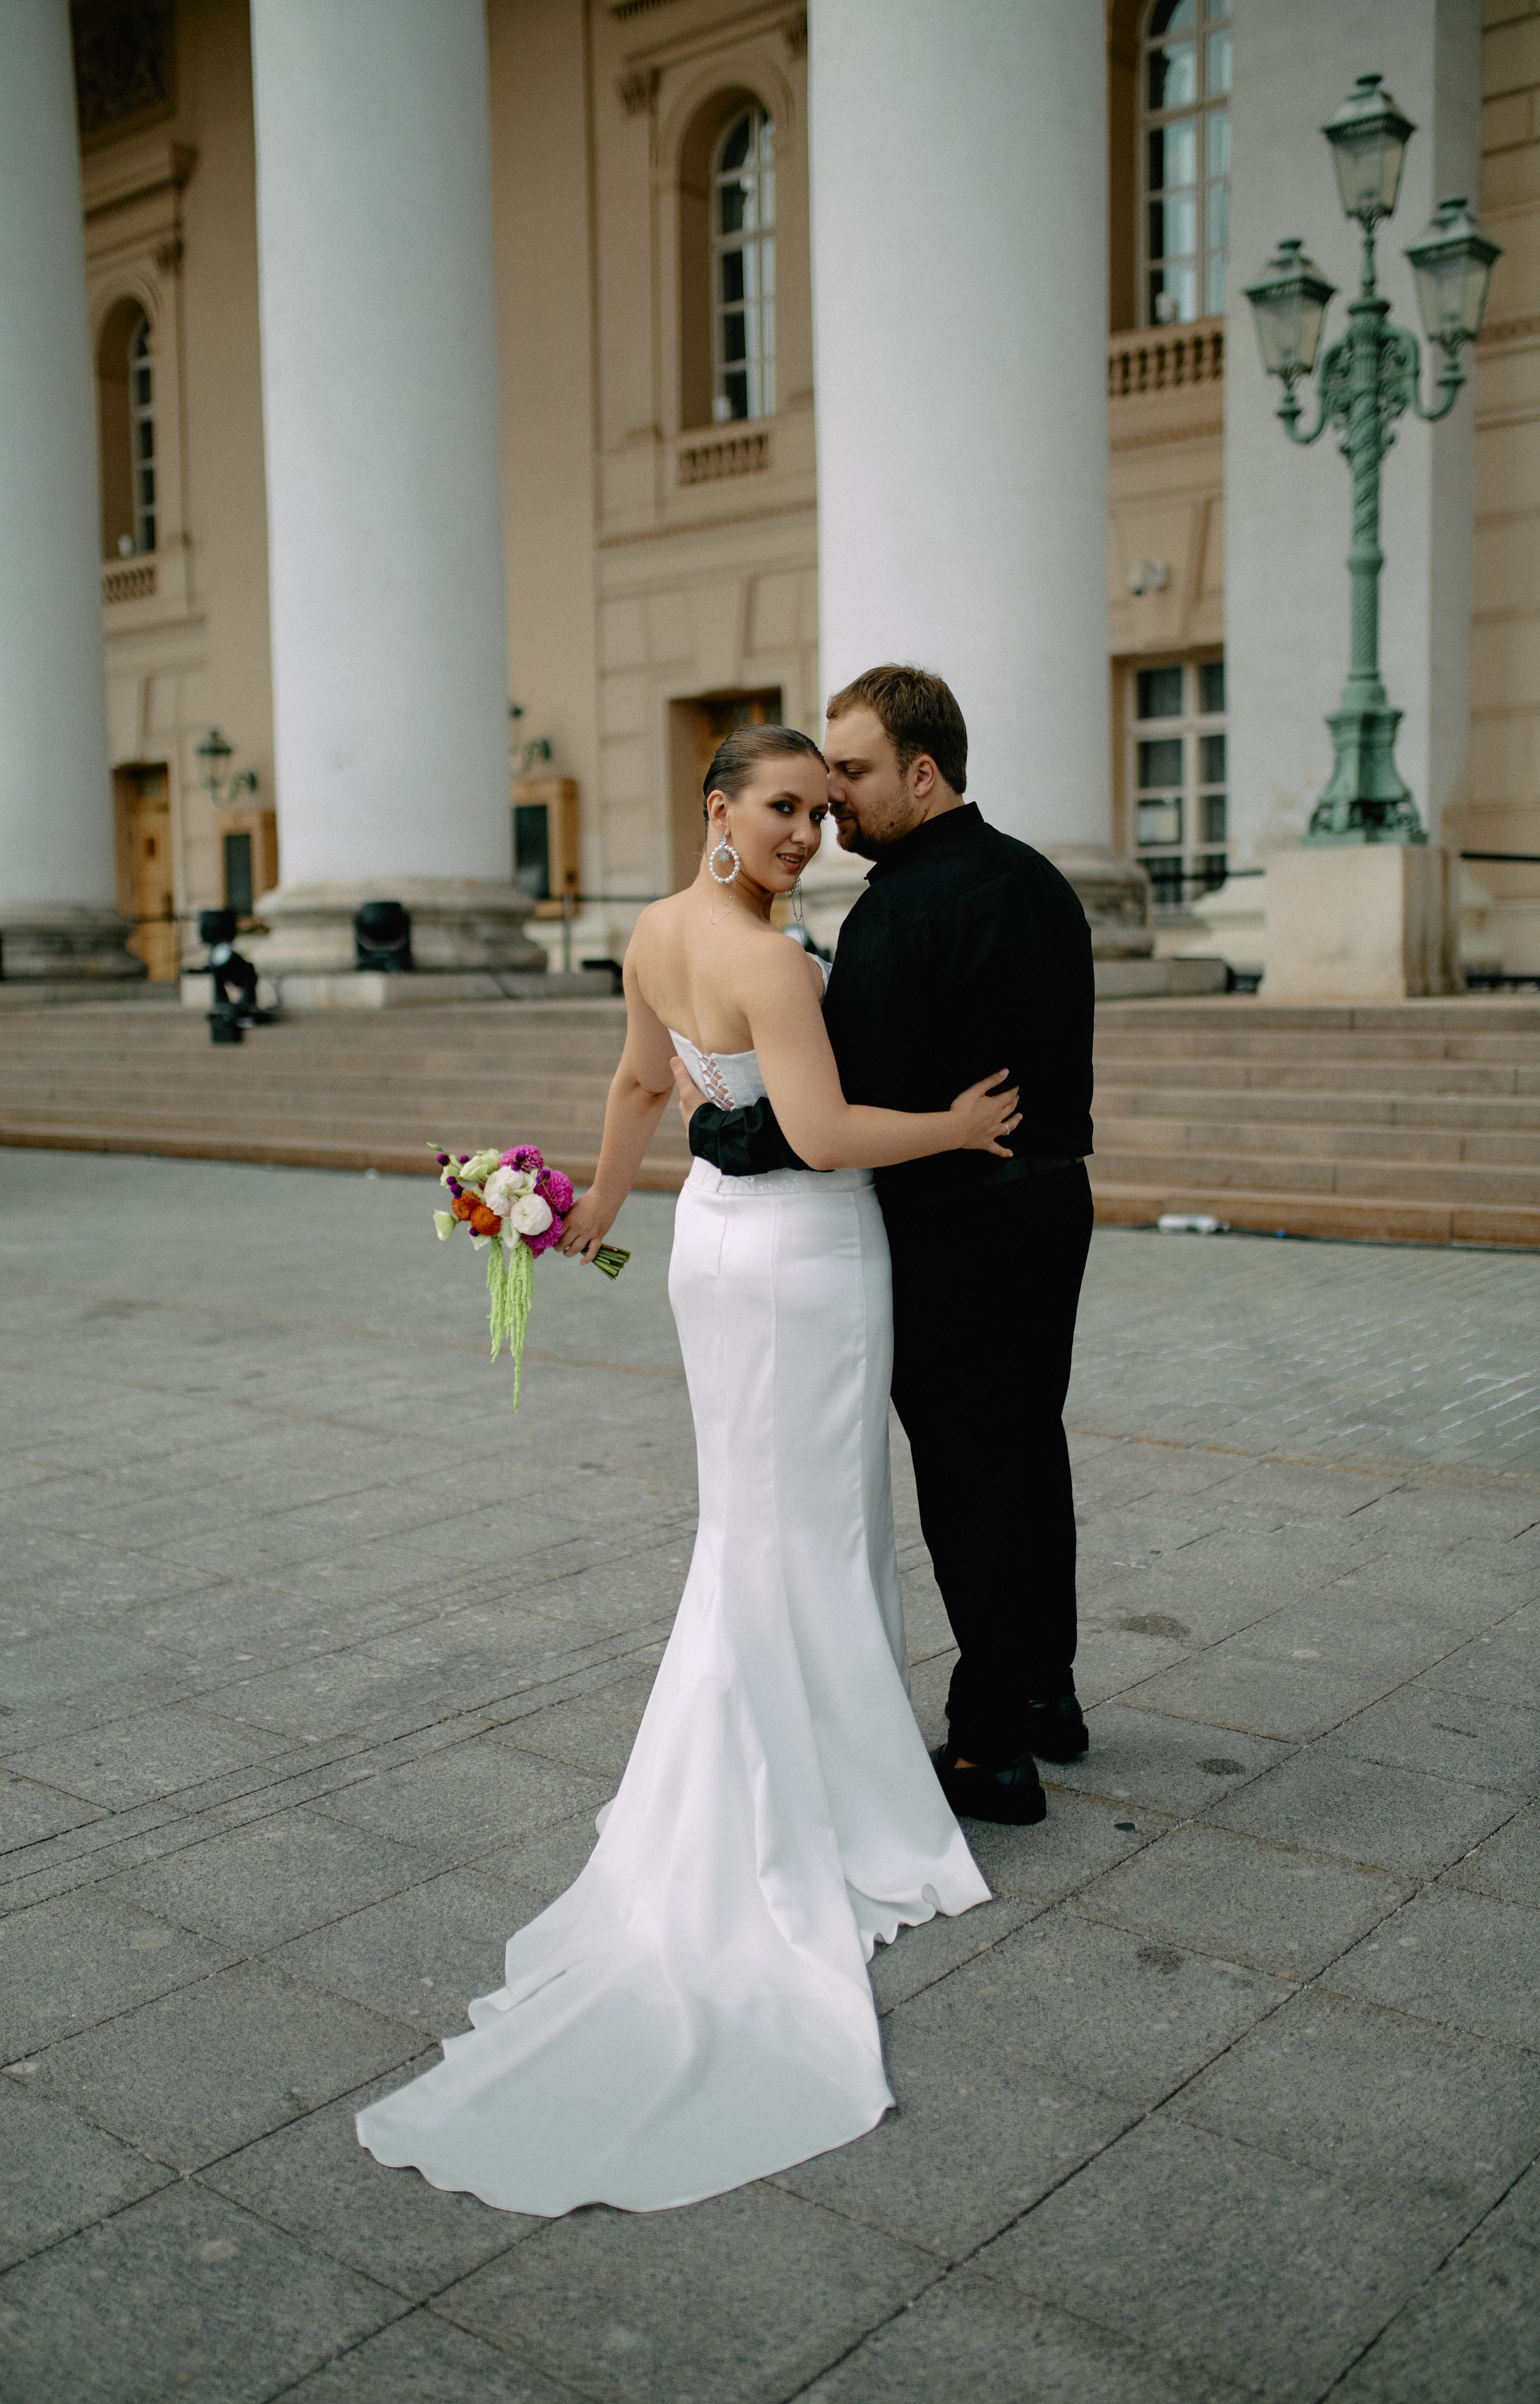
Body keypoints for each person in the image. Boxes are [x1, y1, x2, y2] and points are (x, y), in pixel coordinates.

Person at [355, 721, 1021, 2214]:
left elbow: (639, 1084)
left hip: (715, 1259)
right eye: (779, 808)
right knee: (804, 1524)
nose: (802, 832)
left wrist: (592, 1208)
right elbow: (823, 1130)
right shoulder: (771, 960)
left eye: (816, 809)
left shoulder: (654, 932)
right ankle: (829, 1798)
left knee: (762, 1522)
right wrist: (963, 1126)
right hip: (799, 1255)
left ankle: (805, 1766)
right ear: (718, 810)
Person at [678, 666, 1096, 1826]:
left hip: (957, 1224)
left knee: (970, 1476)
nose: (834, 805)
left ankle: (991, 1747)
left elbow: (834, 1111)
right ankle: (1048, 1690)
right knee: (1027, 1449)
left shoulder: (902, 911)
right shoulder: (1042, 881)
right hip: (1053, 1206)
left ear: (924, 772)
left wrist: (717, 1127)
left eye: (852, 776)